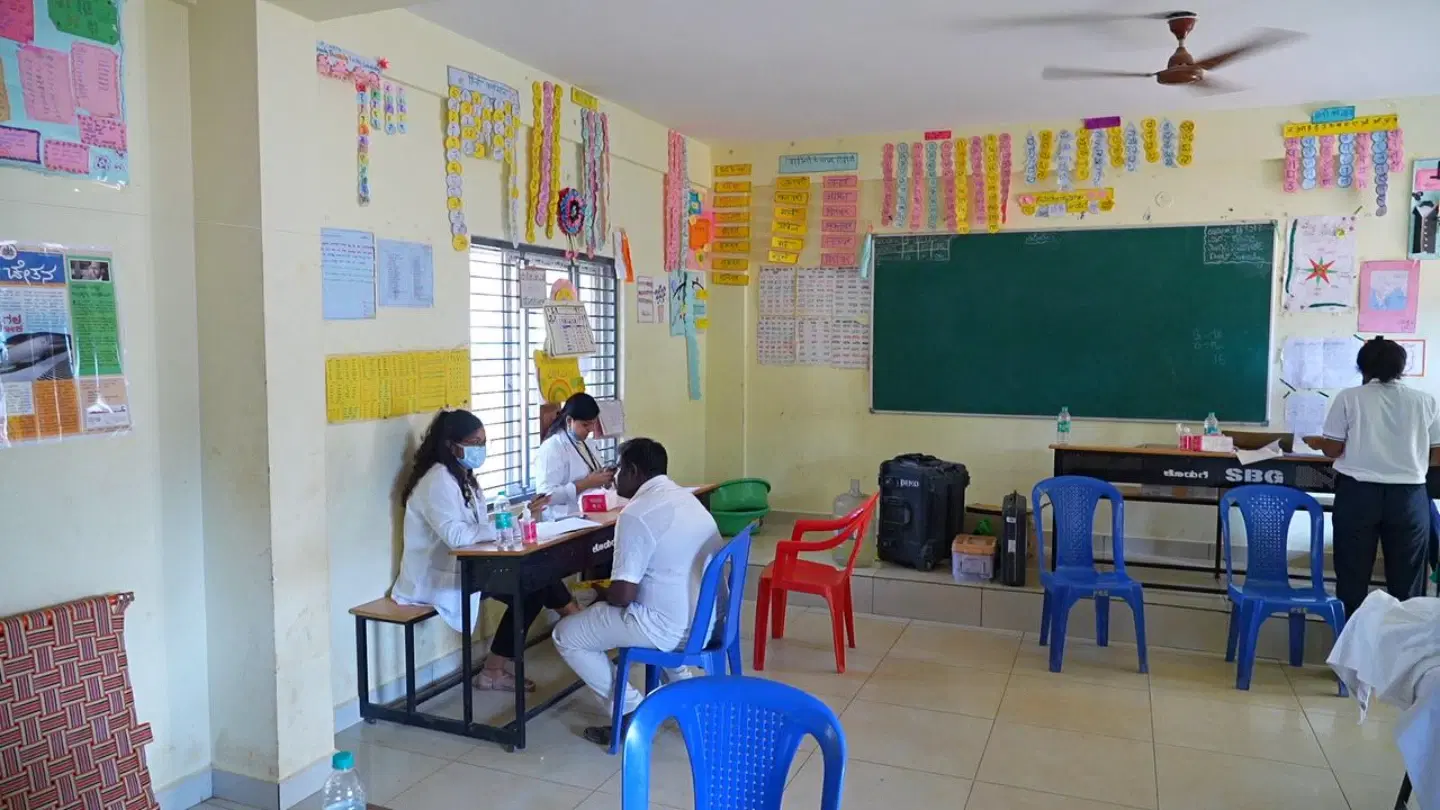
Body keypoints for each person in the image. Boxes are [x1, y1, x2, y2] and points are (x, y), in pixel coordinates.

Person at [392, 409, 580, 692]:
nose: (481, 449)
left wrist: (518, 520)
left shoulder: (463, 476)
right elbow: (457, 536)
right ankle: (579, 629)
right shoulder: (438, 480)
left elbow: (476, 526)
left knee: (536, 583)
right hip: (435, 577)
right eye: (474, 442)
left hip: (469, 565)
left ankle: (498, 668)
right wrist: (503, 530)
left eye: (483, 442)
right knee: (532, 585)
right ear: (451, 444)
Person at [551, 437, 723, 747]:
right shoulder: (686, 499)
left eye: (618, 469)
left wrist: (601, 594)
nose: (614, 477)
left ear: (633, 471)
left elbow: (622, 597)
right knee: (642, 600)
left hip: (669, 628)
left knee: (567, 634)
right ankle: (683, 687)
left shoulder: (636, 514)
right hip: (706, 619)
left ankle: (629, 710)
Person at [1306, 337, 1440, 621]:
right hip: (1409, 497)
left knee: (1352, 574)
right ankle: (1402, 654)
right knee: (1408, 582)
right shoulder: (1425, 401)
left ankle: (1350, 647)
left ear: (1362, 367)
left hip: (1357, 495)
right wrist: (1407, 458)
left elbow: (1334, 448)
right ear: (1402, 367)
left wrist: (1319, 442)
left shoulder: (1349, 397)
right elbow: (1437, 454)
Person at [534, 392, 614, 514]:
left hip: (593, 511)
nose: (591, 429)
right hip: (564, 519)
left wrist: (605, 477)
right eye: (585, 424)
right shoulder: (552, 447)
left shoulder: (588, 442)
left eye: (594, 423)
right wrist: (585, 484)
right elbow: (545, 495)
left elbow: (594, 470)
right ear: (569, 420)